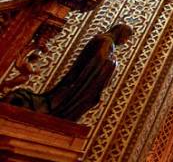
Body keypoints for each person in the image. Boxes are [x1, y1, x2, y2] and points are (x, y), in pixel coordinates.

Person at [3, 23, 134, 121]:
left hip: (80, 83)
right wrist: (114, 64)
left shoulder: (105, 41)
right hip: (78, 84)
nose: (125, 41)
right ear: (120, 32)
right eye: (126, 37)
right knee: (57, 105)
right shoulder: (105, 41)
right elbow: (100, 61)